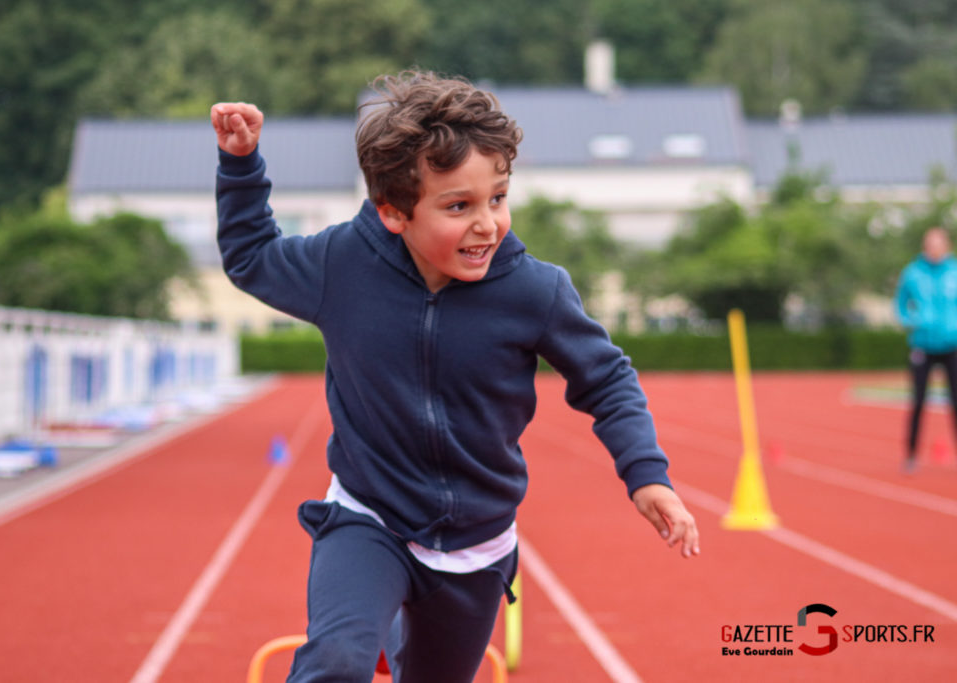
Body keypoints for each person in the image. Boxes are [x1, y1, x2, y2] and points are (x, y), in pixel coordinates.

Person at [211, 71, 700, 683]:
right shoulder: (342, 266)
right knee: (336, 663)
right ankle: (371, 626)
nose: (487, 224)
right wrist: (240, 164)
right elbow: (252, 257)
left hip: (476, 544)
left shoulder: (535, 291)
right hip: (369, 517)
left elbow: (607, 380)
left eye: (497, 197)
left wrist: (646, 474)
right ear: (394, 213)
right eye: (458, 206)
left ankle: (394, 632)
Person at [895, 226, 957, 473]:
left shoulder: (954, 271)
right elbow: (900, 304)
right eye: (930, 245)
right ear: (924, 247)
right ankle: (911, 455)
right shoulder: (912, 273)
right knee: (918, 401)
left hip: (952, 344)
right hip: (922, 344)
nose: (934, 249)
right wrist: (912, 320)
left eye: (939, 244)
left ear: (947, 246)